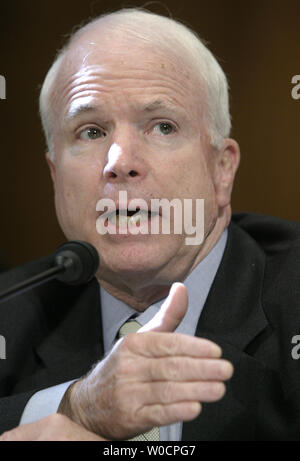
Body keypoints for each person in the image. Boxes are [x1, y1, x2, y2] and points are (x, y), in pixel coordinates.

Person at [0, 8, 299, 441]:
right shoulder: (13, 313)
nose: (119, 162)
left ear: (222, 171)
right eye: (91, 132)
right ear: (54, 175)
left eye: (162, 126)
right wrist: (74, 407)